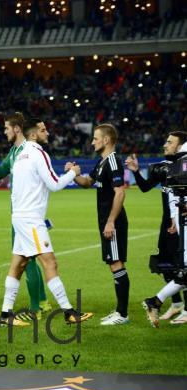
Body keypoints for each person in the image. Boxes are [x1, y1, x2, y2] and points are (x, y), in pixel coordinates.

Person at [1, 121, 92, 326]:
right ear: (33, 135)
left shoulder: (19, 155)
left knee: (19, 264)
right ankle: (69, 312)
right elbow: (55, 184)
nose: (47, 132)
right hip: (32, 219)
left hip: (20, 217)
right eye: (43, 130)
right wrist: (73, 173)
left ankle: (6, 314)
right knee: (50, 262)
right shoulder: (37, 152)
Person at [0, 113, 51, 318]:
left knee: (28, 260)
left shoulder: (27, 150)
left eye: (6, 128)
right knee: (30, 258)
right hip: (20, 214)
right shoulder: (14, 151)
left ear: (17, 129)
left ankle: (36, 308)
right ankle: (42, 301)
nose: (4, 131)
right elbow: (0, 172)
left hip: (26, 213)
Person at [70, 123, 130, 325]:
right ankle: (120, 312)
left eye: (95, 138)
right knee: (113, 262)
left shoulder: (113, 161)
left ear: (106, 140)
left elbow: (120, 192)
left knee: (116, 262)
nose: (92, 142)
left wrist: (111, 222)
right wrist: (74, 174)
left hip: (112, 221)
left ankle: (122, 314)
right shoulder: (102, 162)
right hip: (106, 221)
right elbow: (87, 183)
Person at [126, 131, 187, 325]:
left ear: (181, 146)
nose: (164, 145)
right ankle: (175, 304)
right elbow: (145, 187)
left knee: (183, 266)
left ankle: (178, 307)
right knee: (167, 265)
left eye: (169, 142)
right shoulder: (162, 168)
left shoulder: (183, 169)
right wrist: (136, 171)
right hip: (169, 223)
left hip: (180, 222)